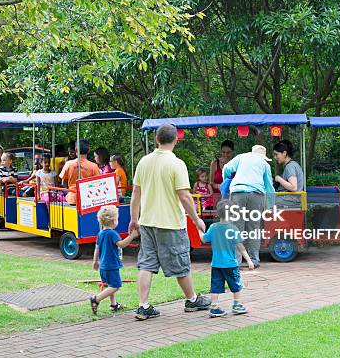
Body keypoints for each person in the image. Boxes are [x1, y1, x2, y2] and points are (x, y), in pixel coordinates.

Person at [129, 123, 211, 321]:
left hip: (147, 222)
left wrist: (134, 219)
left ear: (157, 139)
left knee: (146, 264)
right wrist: (196, 219)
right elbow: (184, 195)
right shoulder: (176, 164)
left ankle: (143, 306)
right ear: (176, 140)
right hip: (171, 223)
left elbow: (136, 194)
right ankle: (192, 300)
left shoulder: (144, 162)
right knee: (180, 263)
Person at [198, 199, 254, 317]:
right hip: (230, 264)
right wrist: (249, 260)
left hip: (216, 264)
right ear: (233, 214)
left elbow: (204, 239)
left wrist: (199, 230)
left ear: (217, 214)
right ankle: (237, 305)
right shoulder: (233, 229)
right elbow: (240, 247)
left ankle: (214, 308)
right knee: (236, 285)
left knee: (215, 286)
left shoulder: (213, 227)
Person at [222, 144, 275, 268]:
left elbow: (226, 168)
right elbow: (269, 186)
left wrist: (227, 178)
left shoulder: (242, 157)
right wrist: (270, 206)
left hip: (238, 193)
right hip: (256, 194)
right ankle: (254, 260)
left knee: (236, 227)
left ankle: (236, 261)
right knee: (254, 228)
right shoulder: (265, 164)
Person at [90, 205, 139, 314]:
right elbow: (121, 245)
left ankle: (114, 305)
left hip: (103, 266)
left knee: (111, 284)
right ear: (113, 221)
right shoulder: (112, 233)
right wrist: (132, 236)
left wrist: (95, 261)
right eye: (117, 219)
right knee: (115, 286)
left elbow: (97, 248)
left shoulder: (100, 233)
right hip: (111, 265)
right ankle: (96, 299)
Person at [59, 139, 100, 205]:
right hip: (88, 200)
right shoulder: (94, 166)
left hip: (72, 199)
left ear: (76, 150)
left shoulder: (68, 164)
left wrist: (69, 192)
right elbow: (98, 184)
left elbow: (63, 183)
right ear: (88, 150)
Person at [273, 140, 305, 208]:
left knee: (265, 200)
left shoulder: (290, 166)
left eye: (276, 154)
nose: (275, 157)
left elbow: (293, 187)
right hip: (292, 198)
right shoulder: (294, 164)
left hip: (292, 199)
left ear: (284, 153)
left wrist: (279, 179)